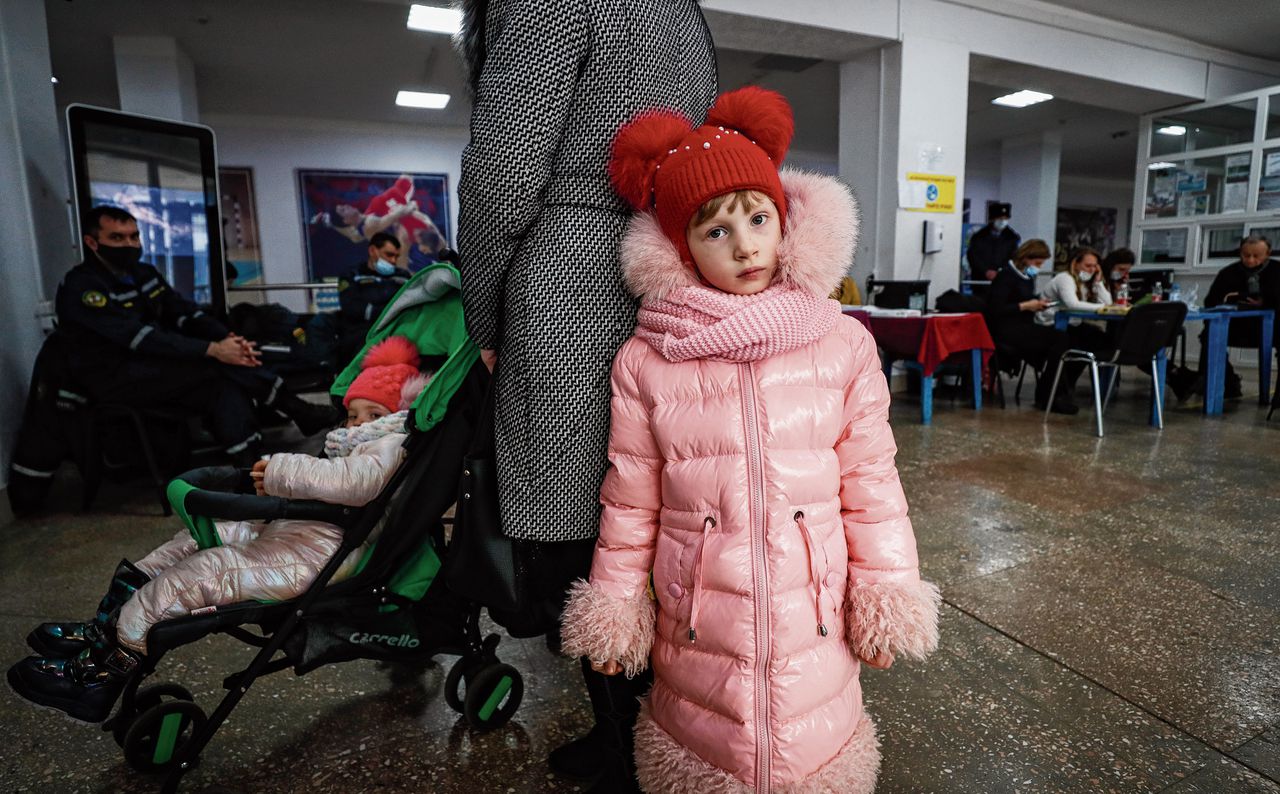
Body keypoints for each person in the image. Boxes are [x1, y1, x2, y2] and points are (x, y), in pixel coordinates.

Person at [559, 87, 940, 793]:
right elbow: (631, 498)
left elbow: (873, 484)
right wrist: (615, 607)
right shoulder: (648, 359)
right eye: (715, 231)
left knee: (814, 746)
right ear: (681, 247)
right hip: (700, 617)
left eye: (757, 218)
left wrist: (886, 593)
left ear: (783, 219)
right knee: (704, 749)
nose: (746, 246)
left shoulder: (840, 344)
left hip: (814, 612)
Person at [455, 2, 717, 790]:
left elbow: (503, 170)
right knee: (662, 512)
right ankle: (677, 724)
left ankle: (625, 740)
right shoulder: (685, 13)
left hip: (570, 280)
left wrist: (483, 312)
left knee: (579, 529)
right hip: (669, 272)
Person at [7, 337, 431, 724]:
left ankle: (99, 675)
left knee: (207, 570)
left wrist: (283, 469)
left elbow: (354, 484)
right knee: (187, 543)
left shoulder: (392, 445)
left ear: (398, 414)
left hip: (319, 555)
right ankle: (106, 626)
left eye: (373, 413)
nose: (358, 422)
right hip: (291, 534)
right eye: (353, 413)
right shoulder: (351, 442)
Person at [56, 206, 334, 464]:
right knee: (216, 366)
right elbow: (141, 338)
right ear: (93, 243)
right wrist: (212, 349)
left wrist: (229, 340)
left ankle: (252, 466)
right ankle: (296, 412)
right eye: (117, 238)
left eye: (134, 237)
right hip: (114, 375)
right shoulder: (83, 287)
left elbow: (184, 312)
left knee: (223, 384)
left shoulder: (143, 273)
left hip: (152, 365)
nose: (129, 245)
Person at [984, 239, 1082, 414]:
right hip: (1005, 330)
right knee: (1059, 339)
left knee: (1063, 339)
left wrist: (1038, 303)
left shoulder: (1026, 277)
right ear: (1025, 258)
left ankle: (1053, 391)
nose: (1038, 267)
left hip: (1023, 326)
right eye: (1037, 263)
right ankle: (1048, 394)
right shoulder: (1006, 276)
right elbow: (995, 309)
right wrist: (1026, 306)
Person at [1180, 235, 1280, 400]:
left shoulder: (1277, 270)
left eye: (1256, 256)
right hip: (1236, 326)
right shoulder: (1228, 273)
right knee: (1209, 336)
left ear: (1267, 254)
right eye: (1246, 255)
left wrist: (1266, 301)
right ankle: (1228, 382)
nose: (1250, 260)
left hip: (1272, 327)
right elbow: (1211, 301)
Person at [337, 232, 413, 362]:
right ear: (373, 250)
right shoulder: (352, 275)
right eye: (389, 255)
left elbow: (410, 305)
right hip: (361, 334)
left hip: (396, 331)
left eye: (396, 256)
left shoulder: (403, 276)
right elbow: (352, 309)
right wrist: (389, 311)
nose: (393, 261)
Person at [1037, 247, 1114, 358]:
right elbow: (1072, 304)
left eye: (1095, 266)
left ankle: (1104, 375)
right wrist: (1102, 307)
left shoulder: (1086, 282)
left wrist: (1098, 282)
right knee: (1083, 347)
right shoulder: (1064, 278)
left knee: (1107, 342)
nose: (1092, 270)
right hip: (1052, 325)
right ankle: (1062, 374)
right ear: (1075, 264)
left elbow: (1108, 303)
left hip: (1073, 325)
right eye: (1088, 266)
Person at [967, 201, 1021, 280]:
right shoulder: (979, 237)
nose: (1003, 221)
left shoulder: (1012, 237)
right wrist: (985, 271)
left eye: (1005, 219)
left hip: (1004, 280)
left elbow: (1014, 258)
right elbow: (973, 256)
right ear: (992, 219)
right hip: (981, 280)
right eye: (1000, 218)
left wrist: (1000, 271)